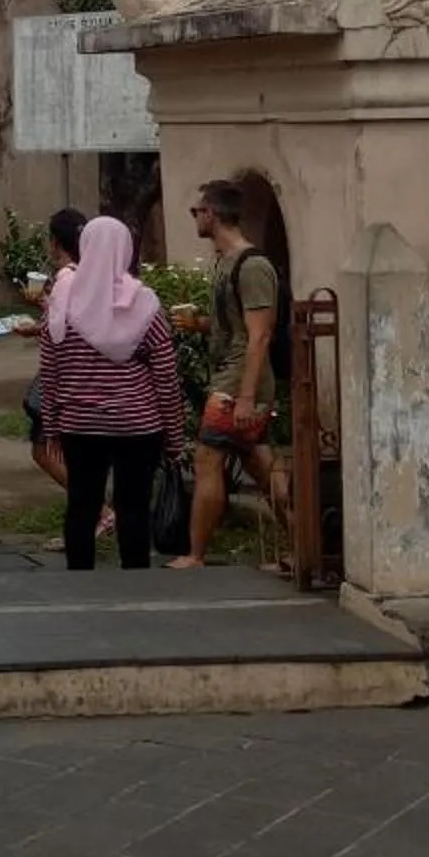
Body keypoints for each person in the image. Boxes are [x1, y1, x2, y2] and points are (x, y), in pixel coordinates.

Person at [38, 216, 185, 571]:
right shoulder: (144, 305)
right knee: (134, 507)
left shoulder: (62, 302)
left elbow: (50, 370)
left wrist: (51, 426)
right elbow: (166, 375)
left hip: (79, 424)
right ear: (126, 251)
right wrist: (175, 435)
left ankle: (81, 578)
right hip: (138, 426)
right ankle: (135, 579)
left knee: (81, 505)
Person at [171, 178, 279, 569]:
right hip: (231, 375)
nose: (195, 218)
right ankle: (307, 540)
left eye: (196, 211)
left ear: (212, 213)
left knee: (207, 457)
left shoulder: (253, 266)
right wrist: (200, 324)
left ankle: (196, 553)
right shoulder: (226, 262)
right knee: (260, 464)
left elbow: (260, 335)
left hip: (238, 381)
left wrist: (246, 396)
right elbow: (234, 326)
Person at [10, 207, 89, 510]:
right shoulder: (90, 275)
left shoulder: (66, 278)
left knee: (44, 449)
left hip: (64, 377)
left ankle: (99, 511)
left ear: (55, 242)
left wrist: (38, 326)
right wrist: (45, 308)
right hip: (85, 377)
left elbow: (62, 332)